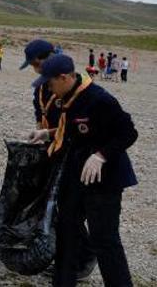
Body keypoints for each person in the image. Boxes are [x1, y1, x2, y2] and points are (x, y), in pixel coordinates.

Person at [28, 55, 137, 286]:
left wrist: (101, 155)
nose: (48, 88)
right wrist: (49, 134)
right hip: (77, 171)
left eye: (50, 83)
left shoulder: (100, 100)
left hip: (104, 177)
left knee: (104, 238)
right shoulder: (68, 98)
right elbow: (75, 128)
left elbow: (128, 133)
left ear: (65, 77)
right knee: (67, 227)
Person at [20, 40, 97, 281]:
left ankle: (83, 259)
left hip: (70, 153)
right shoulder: (44, 85)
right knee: (52, 207)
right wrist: (40, 132)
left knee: (67, 210)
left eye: (35, 64)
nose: (35, 70)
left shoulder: (76, 85)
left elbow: (75, 122)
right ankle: (65, 256)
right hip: (51, 148)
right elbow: (40, 109)